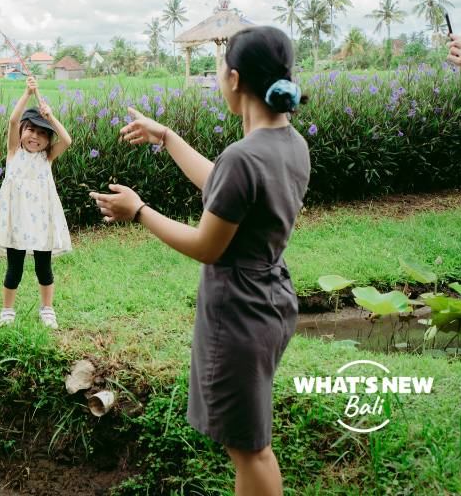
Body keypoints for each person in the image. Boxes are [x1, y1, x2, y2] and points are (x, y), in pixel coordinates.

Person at [90, 26, 310, 496]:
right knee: (252, 444)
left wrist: (139, 211)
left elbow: (208, 246)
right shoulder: (289, 143)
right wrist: (166, 137)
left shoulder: (243, 156)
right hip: (271, 300)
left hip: (238, 313)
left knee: (250, 450)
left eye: (217, 74)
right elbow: (226, 187)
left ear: (234, 80)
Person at [0, 75, 73, 329]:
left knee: (44, 268)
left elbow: (67, 141)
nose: (35, 136)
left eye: (43, 133)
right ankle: (7, 310)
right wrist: (27, 93)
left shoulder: (47, 158)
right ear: (22, 132)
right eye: (31, 129)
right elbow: (13, 120)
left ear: (48, 140)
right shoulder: (14, 153)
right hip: (16, 222)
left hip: (42, 222)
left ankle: (47, 309)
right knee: (15, 269)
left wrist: (51, 116)